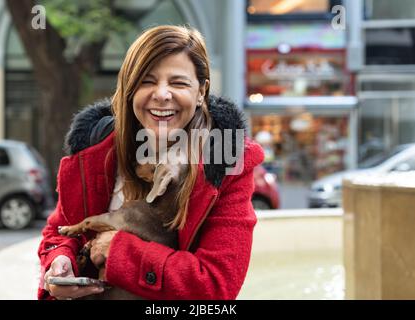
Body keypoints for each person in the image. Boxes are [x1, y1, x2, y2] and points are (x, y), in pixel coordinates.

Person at [38, 25, 264, 300]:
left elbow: (216, 287)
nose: (161, 94)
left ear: (201, 90)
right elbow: (59, 231)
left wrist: (119, 251)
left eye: (178, 83)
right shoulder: (96, 148)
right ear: (130, 88)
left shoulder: (225, 165)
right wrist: (60, 263)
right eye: (147, 81)